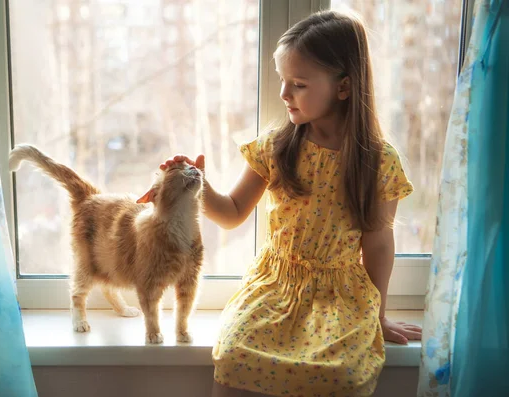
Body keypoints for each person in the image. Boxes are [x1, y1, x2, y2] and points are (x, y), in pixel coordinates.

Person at [160, 10, 422, 397]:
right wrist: (197, 185)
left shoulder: (377, 161)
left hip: (339, 296)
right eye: (283, 81)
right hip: (275, 286)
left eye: (298, 84)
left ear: (344, 87)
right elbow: (231, 213)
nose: (284, 94)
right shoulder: (278, 146)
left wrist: (378, 315)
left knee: (343, 373)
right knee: (233, 355)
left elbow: (379, 244)